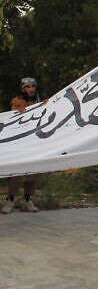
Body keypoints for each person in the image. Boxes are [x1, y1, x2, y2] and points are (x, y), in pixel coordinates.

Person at [1, 78, 46, 214]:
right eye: (28, 87)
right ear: (23, 89)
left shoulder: (39, 102)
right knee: (18, 173)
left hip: (35, 142)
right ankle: (11, 200)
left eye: (33, 86)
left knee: (34, 172)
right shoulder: (17, 101)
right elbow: (16, 115)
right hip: (21, 144)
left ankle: (27, 200)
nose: (31, 89)